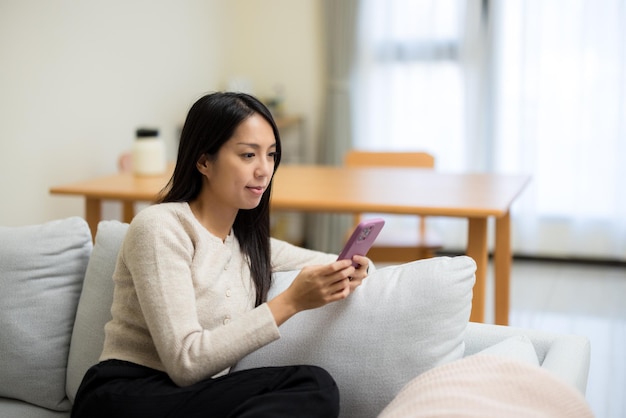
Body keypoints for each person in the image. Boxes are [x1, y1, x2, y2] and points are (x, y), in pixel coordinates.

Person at [71, 92, 370, 418]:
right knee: (312, 383)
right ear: (203, 162)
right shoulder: (161, 227)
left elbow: (329, 260)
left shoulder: (250, 246)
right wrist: (291, 302)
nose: (264, 170)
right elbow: (186, 362)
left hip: (194, 397)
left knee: (315, 388)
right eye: (247, 155)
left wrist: (357, 267)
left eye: (271, 155)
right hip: (125, 395)